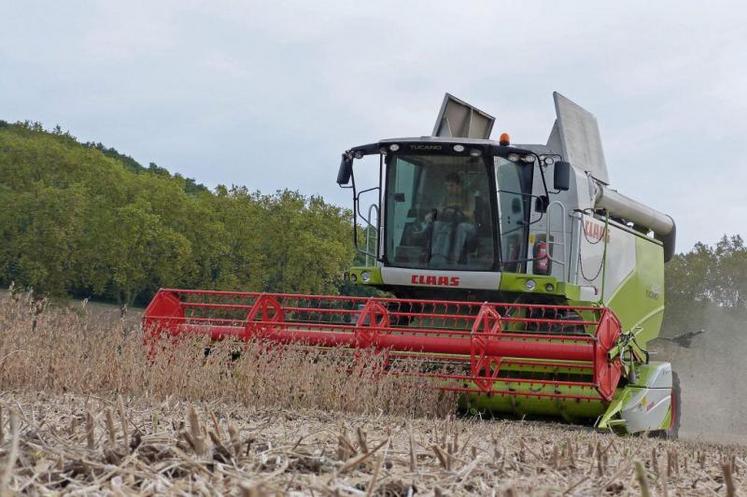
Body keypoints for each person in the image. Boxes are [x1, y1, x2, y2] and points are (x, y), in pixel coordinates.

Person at [428, 172, 477, 266]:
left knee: (461, 227)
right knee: (436, 224)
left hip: (469, 225)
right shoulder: (446, 196)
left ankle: (453, 260)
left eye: (451, 185)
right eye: (447, 186)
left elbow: (471, 213)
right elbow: (439, 208)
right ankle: (434, 256)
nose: (448, 188)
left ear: (458, 185)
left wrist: (457, 211)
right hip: (450, 223)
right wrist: (431, 214)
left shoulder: (468, 195)